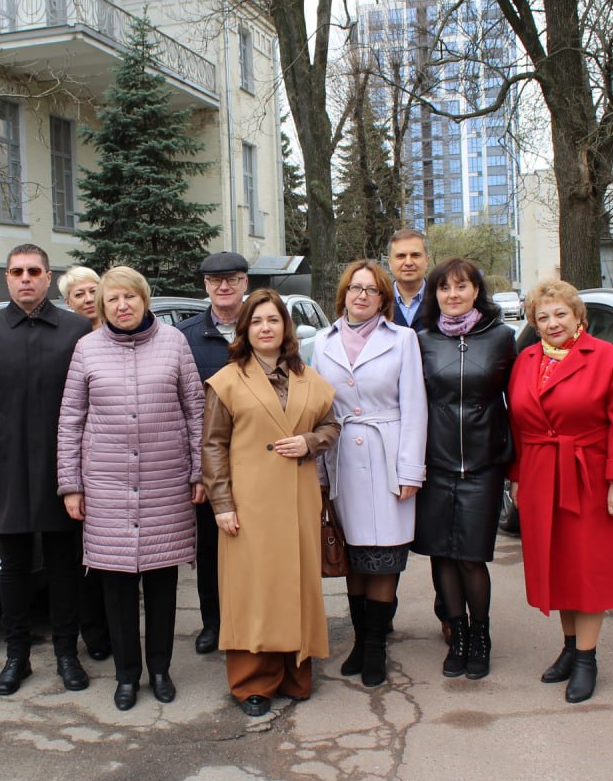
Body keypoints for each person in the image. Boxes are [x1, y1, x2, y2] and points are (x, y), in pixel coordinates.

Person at [58, 267, 205, 711]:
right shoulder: (86, 349)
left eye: (130, 297)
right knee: (117, 589)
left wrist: (200, 471)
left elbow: (196, 410)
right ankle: (126, 676)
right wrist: (71, 485)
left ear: (145, 300)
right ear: (102, 307)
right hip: (106, 489)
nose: (122, 306)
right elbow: (70, 421)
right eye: (112, 299)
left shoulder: (175, 343)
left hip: (166, 484)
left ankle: (159, 669)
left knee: (162, 585)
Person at [0, 244, 93, 697]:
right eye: (16, 271)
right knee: (14, 565)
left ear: (46, 276)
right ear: (6, 278)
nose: (25, 279)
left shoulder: (77, 329)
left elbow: (91, 406)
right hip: (8, 468)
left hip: (64, 471)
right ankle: (16, 655)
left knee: (64, 566)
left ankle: (65, 654)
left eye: (33, 271)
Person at [202, 289, 340, 717]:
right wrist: (222, 503)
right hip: (248, 502)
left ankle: (295, 674)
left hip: (298, 500)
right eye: (257, 321)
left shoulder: (308, 378)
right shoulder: (226, 380)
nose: (266, 328)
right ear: (245, 329)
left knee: (295, 584)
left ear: (286, 328)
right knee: (253, 590)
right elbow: (212, 445)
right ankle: (252, 683)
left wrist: (310, 441)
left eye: (273, 320)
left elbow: (332, 426)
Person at [507, 280, 613, 704]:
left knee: (589, 569)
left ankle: (587, 658)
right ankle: (568, 648)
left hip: (590, 477)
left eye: (560, 314)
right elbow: (519, 425)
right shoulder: (526, 359)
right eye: (542, 317)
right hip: (541, 474)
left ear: (578, 316)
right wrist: (517, 477)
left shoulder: (605, 358)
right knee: (559, 565)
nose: (552, 323)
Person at [312, 261, 426, 688]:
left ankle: (376, 645)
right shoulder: (322, 343)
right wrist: (321, 474)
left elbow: (415, 407)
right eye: (355, 289)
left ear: (383, 299)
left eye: (372, 290)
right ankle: (360, 642)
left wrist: (411, 469)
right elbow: (320, 409)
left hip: (387, 454)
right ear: (343, 294)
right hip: (342, 458)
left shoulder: (403, 340)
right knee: (355, 558)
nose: (361, 296)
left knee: (384, 558)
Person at [413, 258, 516, 681]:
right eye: (444, 288)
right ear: (434, 295)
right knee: (442, 555)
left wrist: (513, 463)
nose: (452, 295)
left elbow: (521, 402)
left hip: (482, 466)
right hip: (435, 464)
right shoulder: (421, 340)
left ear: (477, 291)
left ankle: (480, 636)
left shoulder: (503, 338)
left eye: (461, 287)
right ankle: (455, 635)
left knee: (472, 557)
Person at [177, 251, 251, 655]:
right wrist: (196, 471)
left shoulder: (263, 326)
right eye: (215, 280)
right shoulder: (185, 336)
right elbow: (180, 405)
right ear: (205, 286)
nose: (224, 286)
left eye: (233, 279)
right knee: (210, 546)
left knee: (253, 544)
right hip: (210, 459)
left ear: (245, 283)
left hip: (259, 456)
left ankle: (250, 618)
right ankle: (213, 622)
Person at [387, 228, 448, 638]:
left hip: (442, 428)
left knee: (443, 533)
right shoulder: (374, 300)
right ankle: (382, 614)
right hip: (390, 432)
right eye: (400, 256)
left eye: (415, 255)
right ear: (389, 262)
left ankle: (449, 614)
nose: (408, 262)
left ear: (426, 259)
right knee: (387, 533)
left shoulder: (446, 298)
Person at [56, 265, 109, 661]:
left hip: (115, 465)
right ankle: (94, 631)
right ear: (67, 302)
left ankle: (118, 622)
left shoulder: (123, 332)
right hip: (80, 460)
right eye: (79, 295)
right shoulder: (66, 340)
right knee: (84, 557)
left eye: (94, 291)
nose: (88, 299)